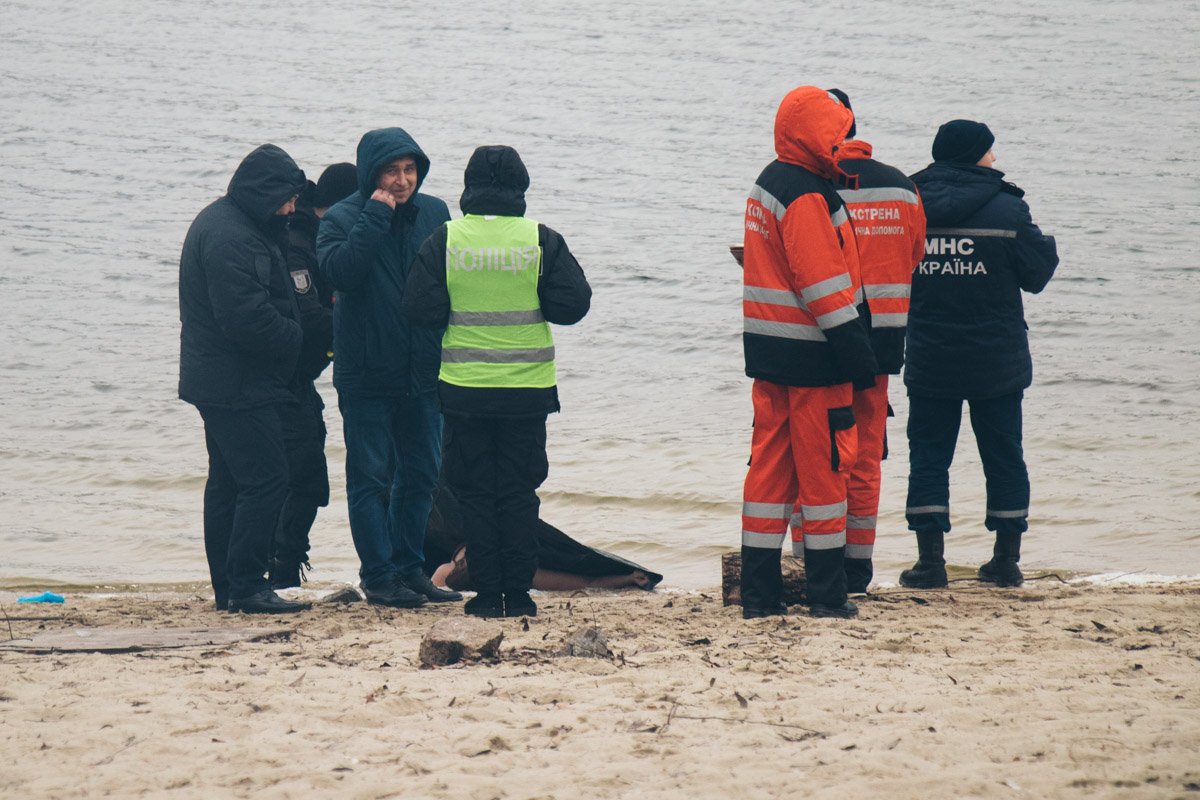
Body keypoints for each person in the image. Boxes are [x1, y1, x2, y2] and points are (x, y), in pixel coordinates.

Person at [403, 145, 592, 618]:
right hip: (526, 391)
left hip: (465, 391)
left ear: (468, 187)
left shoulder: (446, 239)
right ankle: (521, 593)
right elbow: (574, 305)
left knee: (474, 494)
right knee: (519, 493)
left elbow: (418, 311)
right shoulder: (540, 240)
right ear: (520, 187)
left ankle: (488, 595)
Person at [901, 119, 1059, 589]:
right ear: (974, 155)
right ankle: (1006, 561)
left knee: (929, 456)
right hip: (997, 359)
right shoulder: (1008, 210)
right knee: (1004, 455)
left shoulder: (909, 205)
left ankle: (930, 564)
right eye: (990, 152)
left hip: (931, 354)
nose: (995, 159)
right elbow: (1037, 273)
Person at [739, 87, 878, 620]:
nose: (844, 142)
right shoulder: (807, 195)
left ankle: (758, 597)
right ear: (818, 135)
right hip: (817, 362)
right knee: (825, 478)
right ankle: (826, 596)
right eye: (838, 133)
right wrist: (858, 357)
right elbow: (823, 286)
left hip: (771, 356)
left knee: (768, 476)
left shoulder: (768, 182)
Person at [317, 129, 459, 608]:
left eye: (410, 170)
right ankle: (378, 577)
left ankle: (409, 570)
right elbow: (340, 273)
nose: (402, 181)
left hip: (422, 371)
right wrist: (376, 215)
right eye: (392, 171)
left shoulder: (436, 213)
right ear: (370, 174)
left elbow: (449, 280)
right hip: (366, 375)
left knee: (421, 475)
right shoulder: (342, 216)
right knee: (371, 479)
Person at [178, 143, 311, 614]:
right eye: (288, 198)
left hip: (222, 379)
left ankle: (230, 587)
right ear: (264, 193)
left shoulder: (232, 222)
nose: (293, 208)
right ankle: (249, 586)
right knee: (267, 480)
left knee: (230, 483)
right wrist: (297, 337)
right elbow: (247, 320)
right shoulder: (232, 235)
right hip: (237, 384)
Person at [827, 89, 927, 594]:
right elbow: (913, 256)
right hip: (884, 341)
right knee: (864, 457)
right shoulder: (901, 186)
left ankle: (817, 564)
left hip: (821, 342)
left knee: (819, 454)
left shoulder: (806, 182)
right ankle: (858, 569)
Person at [269, 163, 358, 589]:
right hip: (282, 377)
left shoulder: (308, 233)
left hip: (294, 377)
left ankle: (281, 567)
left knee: (302, 477)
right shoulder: (299, 241)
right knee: (302, 478)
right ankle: (282, 570)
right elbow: (311, 320)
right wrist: (358, 322)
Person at [422, 481, 662, 592]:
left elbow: (434, 585)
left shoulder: (451, 569)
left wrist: (629, 577)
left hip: (484, 564)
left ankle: (630, 578)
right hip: (507, 565)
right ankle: (630, 577)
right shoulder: (525, 573)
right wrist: (628, 577)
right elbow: (588, 583)